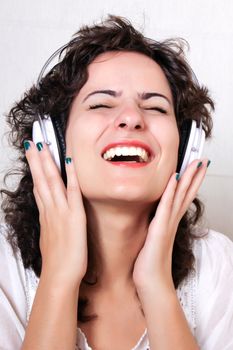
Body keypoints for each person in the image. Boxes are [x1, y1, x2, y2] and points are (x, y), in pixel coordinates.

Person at [0, 15, 232, 350]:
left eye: (155, 107)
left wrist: (157, 286)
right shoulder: (6, 267)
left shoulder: (218, 264)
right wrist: (59, 279)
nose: (132, 118)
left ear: (185, 149)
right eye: (101, 104)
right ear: (52, 141)